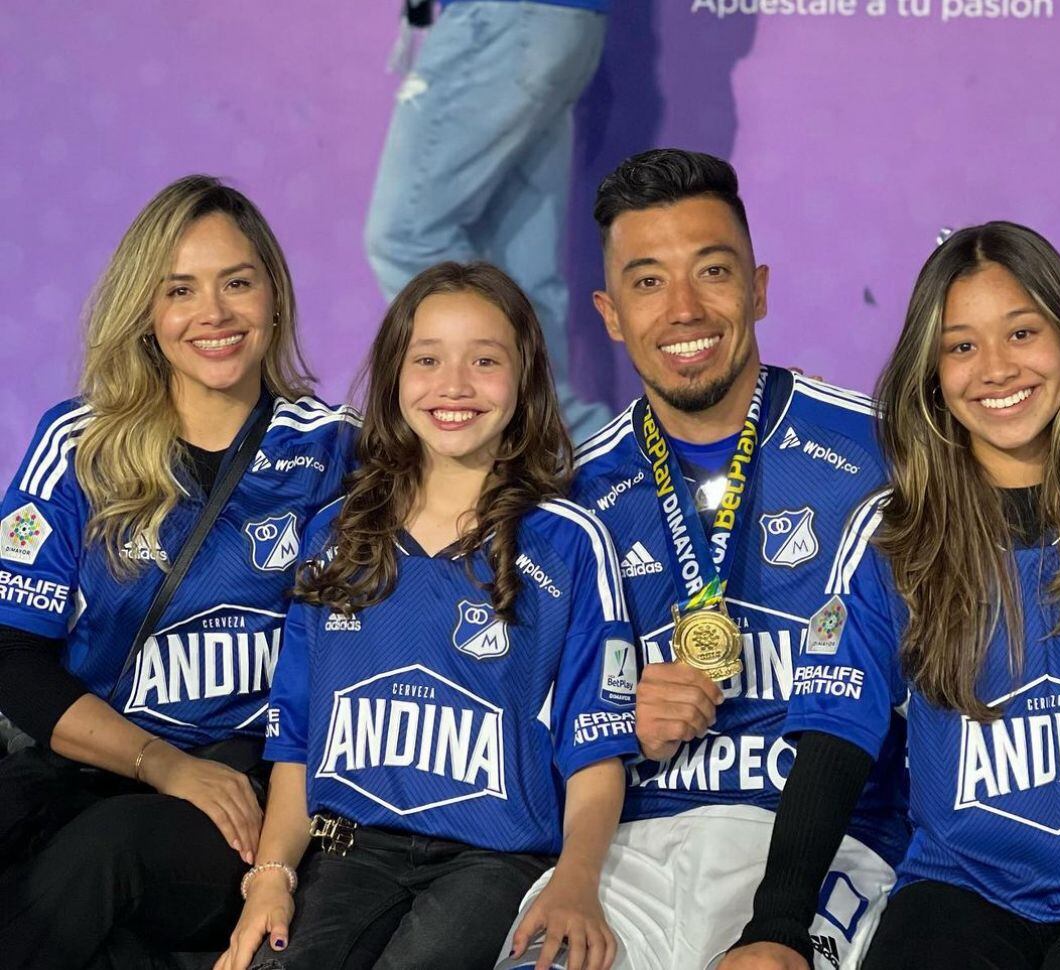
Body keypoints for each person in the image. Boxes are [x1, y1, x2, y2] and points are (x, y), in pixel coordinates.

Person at [722, 222, 1060, 970]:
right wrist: (773, 929)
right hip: (958, 894)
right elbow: (835, 741)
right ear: (930, 373)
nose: (994, 368)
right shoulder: (893, 533)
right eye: (960, 346)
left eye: (1021, 332)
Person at [500, 149, 909, 970]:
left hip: (838, 844)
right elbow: (510, 745)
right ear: (609, 314)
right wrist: (619, 731)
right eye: (647, 282)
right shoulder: (567, 501)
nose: (683, 309)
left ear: (757, 288)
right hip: (631, 847)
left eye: (711, 272)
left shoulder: (887, 454)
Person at [216, 261, 637, 970]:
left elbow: (596, 750)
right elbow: (295, 743)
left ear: (526, 378)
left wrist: (574, 880)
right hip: (346, 848)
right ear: (393, 375)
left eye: (484, 360)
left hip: (492, 861)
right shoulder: (335, 537)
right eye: (428, 359)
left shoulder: (567, 542)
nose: (454, 386)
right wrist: (271, 878)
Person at [0, 175, 360, 969]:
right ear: (148, 313)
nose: (215, 315)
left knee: (104, 854)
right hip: (97, 757)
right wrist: (159, 763)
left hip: (245, 793)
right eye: (181, 290)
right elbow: (10, 655)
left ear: (274, 294)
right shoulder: (80, 443)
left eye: (237, 282)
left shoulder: (342, 452)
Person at [363, 0, 613, 442]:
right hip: (558, 21)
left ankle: (550, 438)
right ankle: (590, 461)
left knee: (406, 237)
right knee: (519, 271)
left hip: (502, 18)